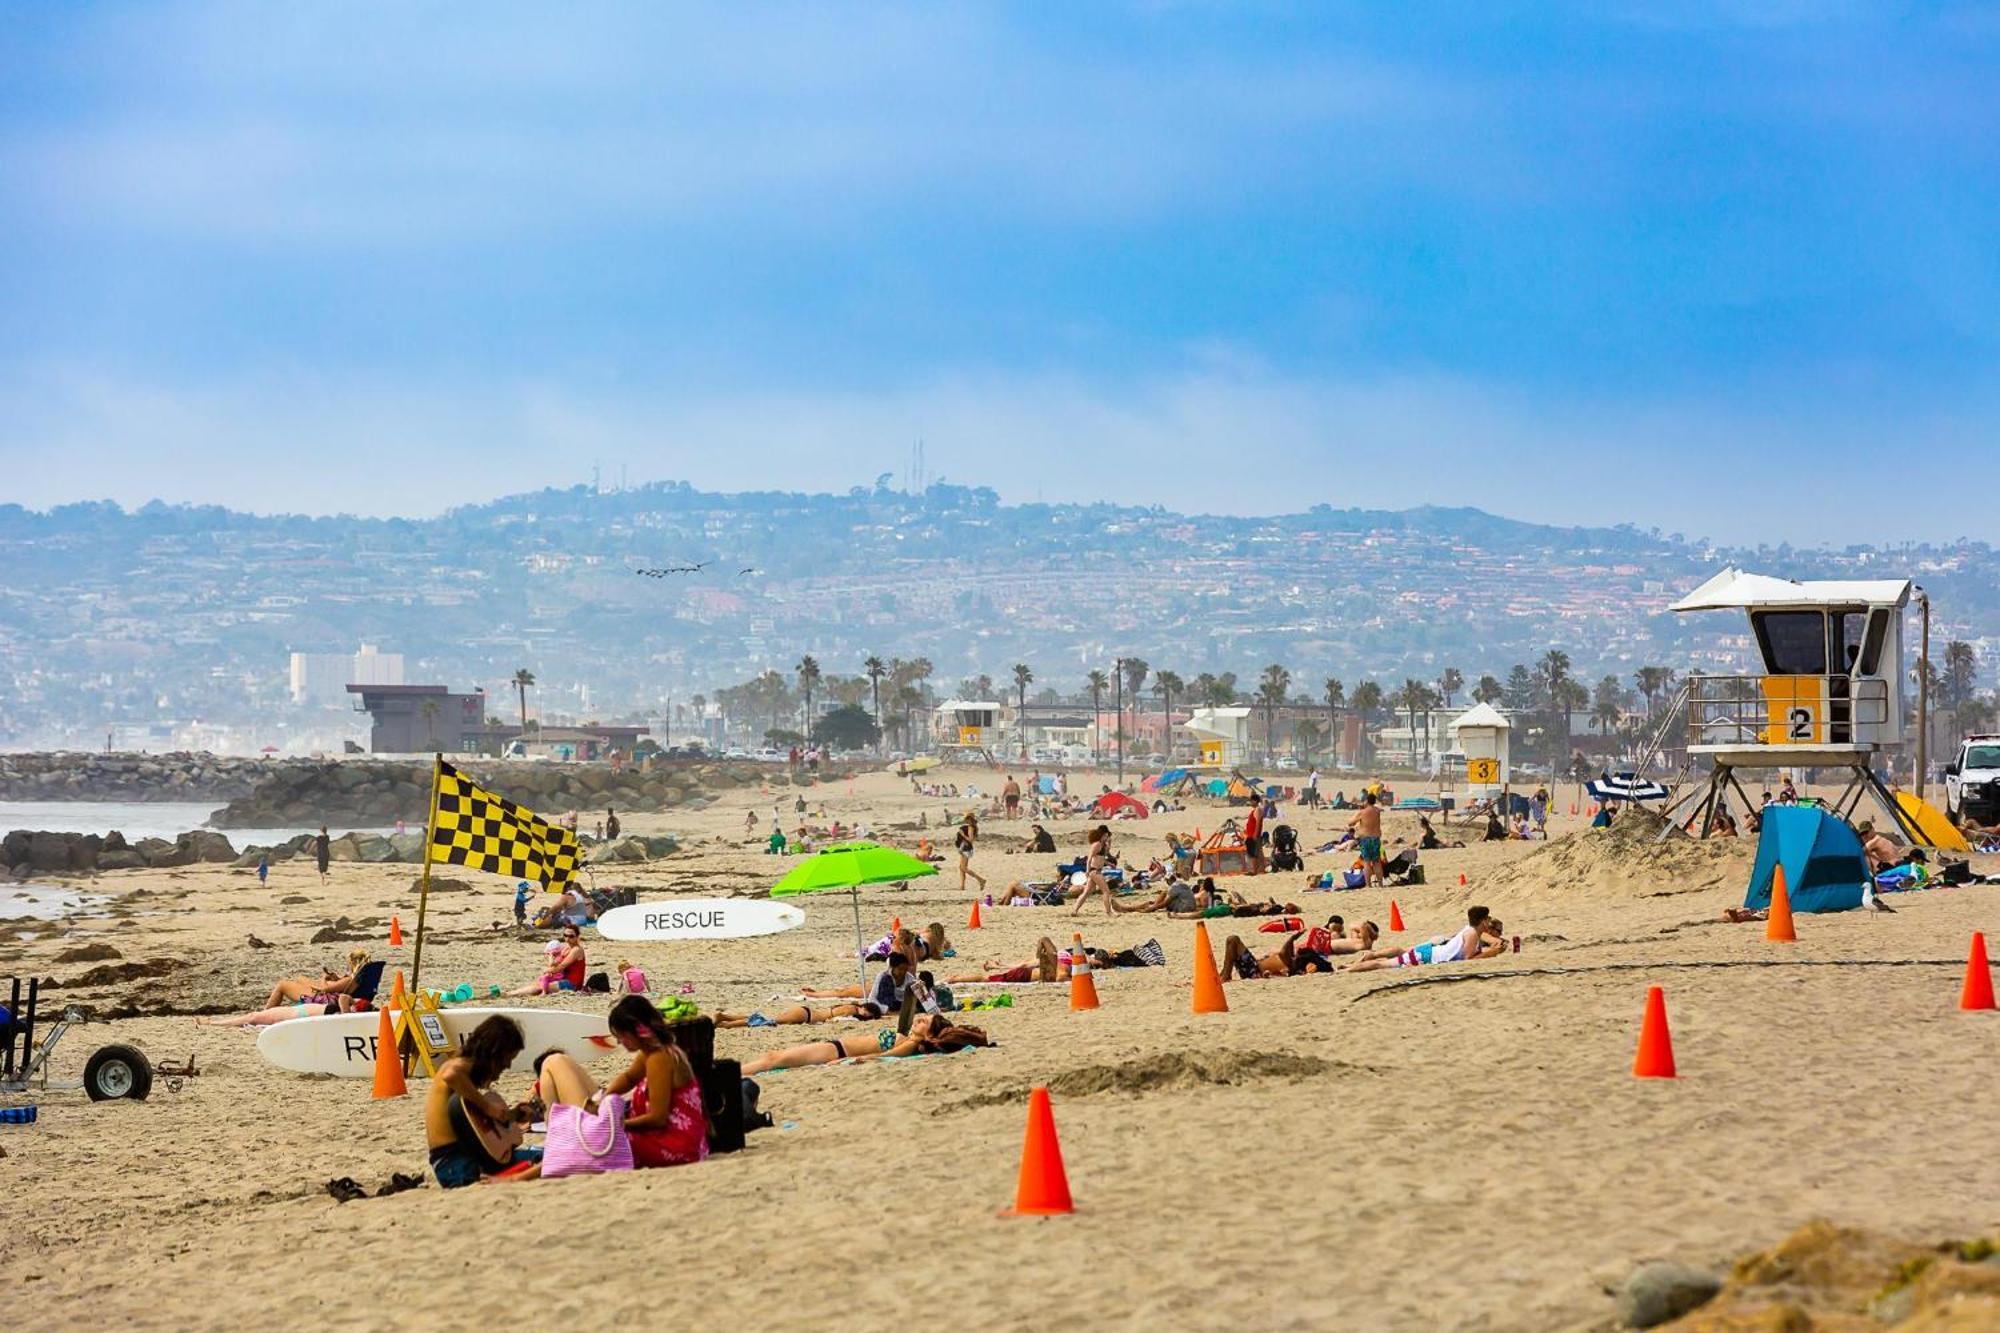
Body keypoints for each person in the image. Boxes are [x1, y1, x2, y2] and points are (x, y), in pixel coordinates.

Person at [533, 996, 709, 1169]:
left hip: (672, 1143)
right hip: (673, 1139)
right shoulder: (652, 1052)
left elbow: (658, 1118)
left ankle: (549, 1153)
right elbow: (629, 1078)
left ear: (635, 1032)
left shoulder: (659, 1058)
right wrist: (603, 1098)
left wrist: (616, 1124)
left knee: (589, 1139)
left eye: (621, 1036)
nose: (619, 1042)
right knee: (556, 1066)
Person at [426, 1015, 539, 1188]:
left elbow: (477, 1127)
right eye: (508, 1058)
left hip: (461, 1159)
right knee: (540, 1161)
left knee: (542, 1158)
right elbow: (451, 1075)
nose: (508, 1065)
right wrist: (488, 1108)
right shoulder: (461, 1064)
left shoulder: (467, 1082)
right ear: (495, 1052)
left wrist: (513, 1115)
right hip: (454, 1163)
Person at [739, 1012, 990, 1075]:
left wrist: (849, 1060)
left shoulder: (910, 1044)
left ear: (929, 1036)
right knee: (773, 1057)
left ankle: (733, 1073)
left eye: (925, 1021)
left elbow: (888, 1056)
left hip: (834, 1050)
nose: (919, 1018)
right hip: (833, 1047)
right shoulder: (910, 1038)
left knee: (774, 1060)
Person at [1343, 907, 1504, 972]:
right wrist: (1492, 953)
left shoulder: (1471, 931)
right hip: (1426, 956)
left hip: (1429, 953)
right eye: (1487, 919)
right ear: (1482, 921)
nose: (1489, 921)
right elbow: (1468, 959)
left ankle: (1351, 966)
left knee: (1391, 958)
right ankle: (1347, 970)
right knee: (1382, 964)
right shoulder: (1473, 933)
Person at [946, 936, 1063, 985]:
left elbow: (1025, 964)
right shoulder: (1056, 964)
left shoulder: (1056, 961)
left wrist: (999, 966)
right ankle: (956, 979)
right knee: (985, 979)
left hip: (1025, 973)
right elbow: (1024, 965)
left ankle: (956, 978)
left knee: (985, 978)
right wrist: (999, 966)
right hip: (1023, 975)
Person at [509, 923, 585, 996]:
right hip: (563, 979)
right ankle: (510, 993)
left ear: (577, 937)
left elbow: (562, 966)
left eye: (571, 936)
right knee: (539, 984)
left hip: (572, 983)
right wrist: (550, 958)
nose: (567, 938)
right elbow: (556, 964)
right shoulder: (566, 948)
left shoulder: (577, 950)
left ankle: (509, 994)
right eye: (565, 935)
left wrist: (549, 970)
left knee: (539, 987)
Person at [1348, 793, 1385, 885]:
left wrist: (1358, 811)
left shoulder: (1362, 812)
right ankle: (1380, 883)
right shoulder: (1377, 811)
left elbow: (1350, 823)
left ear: (1367, 801)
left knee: (1367, 862)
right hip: (1376, 838)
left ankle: (1368, 884)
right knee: (1377, 862)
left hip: (1365, 839)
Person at [955, 814, 988, 894]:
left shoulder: (970, 827)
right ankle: (962, 886)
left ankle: (981, 880)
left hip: (966, 848)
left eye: (966, 819)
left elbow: (971, 839)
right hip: (965, 848)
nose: (965, 820)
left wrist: (962, 834)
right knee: (961, 867)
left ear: (969, 819)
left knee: (964, 868)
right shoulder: (973, 827)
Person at [1242, 802, 1265, 876]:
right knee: (1258, 852)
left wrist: (1255, 834)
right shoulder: (1255, 810)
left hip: (1253, 835)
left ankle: (1255, 871)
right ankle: (1261, 869)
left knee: (1253, 853)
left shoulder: (1257, 810)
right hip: (1251, 834)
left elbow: (1258, 823)